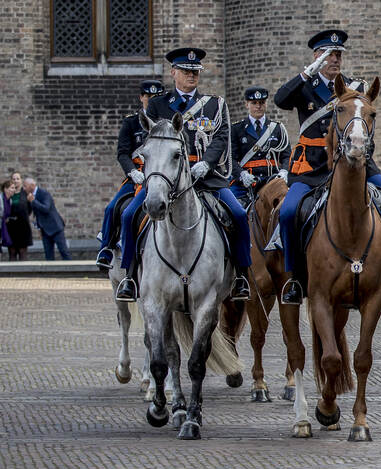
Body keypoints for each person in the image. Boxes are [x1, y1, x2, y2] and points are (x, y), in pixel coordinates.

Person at [273, 30, 381, 304]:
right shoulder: (304, 87)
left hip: (354, 165)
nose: (335, 59)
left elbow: (366, 129)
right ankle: (296, 278)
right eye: (329, 55)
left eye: (338, 55)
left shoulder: (355, 88)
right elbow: (280, 100)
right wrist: (307, 73)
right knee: (288, 212)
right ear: (317, 57)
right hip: (311, 168)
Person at [115, 48, 251, 303]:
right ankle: (130, 277)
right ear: (173, 73)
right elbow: (150, 144)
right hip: (167, 179)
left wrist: (207, 163)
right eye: (186, 71)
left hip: (206, 178)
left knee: (239, 214)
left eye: (195, 71)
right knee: (130, 214)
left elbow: (221, 137)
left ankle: (242, 276)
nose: (192, 75)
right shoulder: (157, 105)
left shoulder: (214, 105)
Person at [96, 79, 162, 269]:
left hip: (160, 175)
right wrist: (132, 172)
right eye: (148, 96)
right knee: (111, 208)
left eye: (156, 97)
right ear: (141, 97)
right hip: (137, 175)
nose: (151, 100)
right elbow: (123, 153)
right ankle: (106, 249)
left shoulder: (166, 122)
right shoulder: (132, 122)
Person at [229, 86, 290, 202]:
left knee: (287, 205)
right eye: (254, 103)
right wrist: (242, 174)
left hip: (272, 179)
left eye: (262, 102)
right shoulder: (237, 129)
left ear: (266, 104)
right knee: (231, 208)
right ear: (247, 104)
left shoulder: (277, 128)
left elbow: (287, 156)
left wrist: (284, 171)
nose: (258, 106)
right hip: (246, 183)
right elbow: (230, 159)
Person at [25, 178, 70, 261]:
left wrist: (33, 201)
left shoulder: (44, 193)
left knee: (63, 251)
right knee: (48, 255)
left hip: (55, 227)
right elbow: (34, 213)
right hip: (44, 230)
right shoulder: (30, 196)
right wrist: (38, 227)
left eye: (25, 186)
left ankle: (71, 268)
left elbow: (46, 208)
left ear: (32, 185)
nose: (24, 188)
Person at [4, 177, 32, 261]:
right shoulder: (8, 194)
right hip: (11, 227)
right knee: (12, 252)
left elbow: (29, 209)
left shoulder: (26, 193)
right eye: (13, 179)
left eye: (18, 179)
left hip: (23, 227)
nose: (16, 180)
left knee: (22, 252)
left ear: (21, 180)